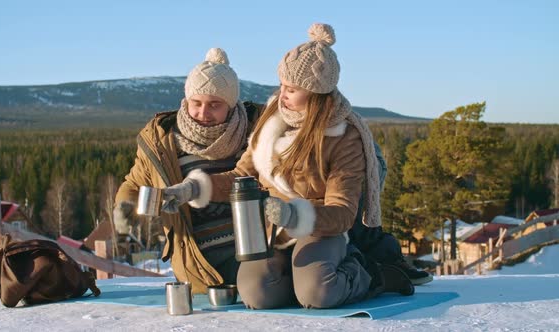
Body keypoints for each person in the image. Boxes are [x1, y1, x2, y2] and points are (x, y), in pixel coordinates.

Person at [161, 23, 416, 309]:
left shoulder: (343, 137)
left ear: (316, 93)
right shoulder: (272, 122)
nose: (282, 94)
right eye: (282, 85)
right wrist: (192, 188)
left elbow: (343, 212)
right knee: (256, 294)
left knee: (318, 293)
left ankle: (374, 274)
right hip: (273, 231)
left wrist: (293, 214)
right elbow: (240, 176)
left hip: (319, 229)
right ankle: (304, 283)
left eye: (291, 89)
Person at [113, 48, 262, 294]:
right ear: (186, 100)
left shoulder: (255, 133)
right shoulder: (163, 142)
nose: (203, 113)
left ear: (232, 104)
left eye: (215, 105)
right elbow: (133, 184)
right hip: (197, 263)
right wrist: (125, 207)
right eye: (197, 103)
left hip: (258, 255)